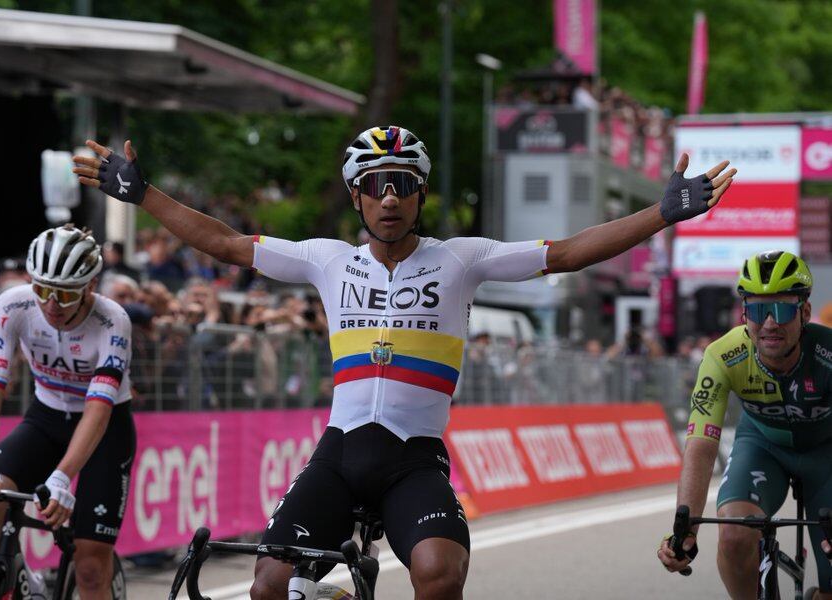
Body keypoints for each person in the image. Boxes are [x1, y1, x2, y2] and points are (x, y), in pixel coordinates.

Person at [73, 125, 734, 599]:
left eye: (402, 185)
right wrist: (144, 194)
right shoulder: (327, 259)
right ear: (357, 197)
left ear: (419, 195)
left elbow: (566, 253)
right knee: (268, 584)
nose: (389, 197)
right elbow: (224, 242)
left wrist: (662, 214)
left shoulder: (461, 259)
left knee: (440, 576)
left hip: (412, 459)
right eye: (375, 185)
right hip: (339, 452)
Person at [0, 224, 135, 600]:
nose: (52, 305)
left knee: (90, 567)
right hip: (46, 416)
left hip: (104, 429)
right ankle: (28, 584)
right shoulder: (13, 304)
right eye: (42, 290)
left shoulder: (112, 319)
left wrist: (62, 477)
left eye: (66, 294)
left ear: (90, 286)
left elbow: (98, 408)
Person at [657, 251, 832, 600]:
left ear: (805, 313)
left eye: (782, 310)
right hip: (763, 446)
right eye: (757, 310)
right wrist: (685, 528)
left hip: (826, 449)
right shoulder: (722, 355)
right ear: (743, 314)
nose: (769, 323)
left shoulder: (827, 353)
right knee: (735, 535)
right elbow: (701, 444)